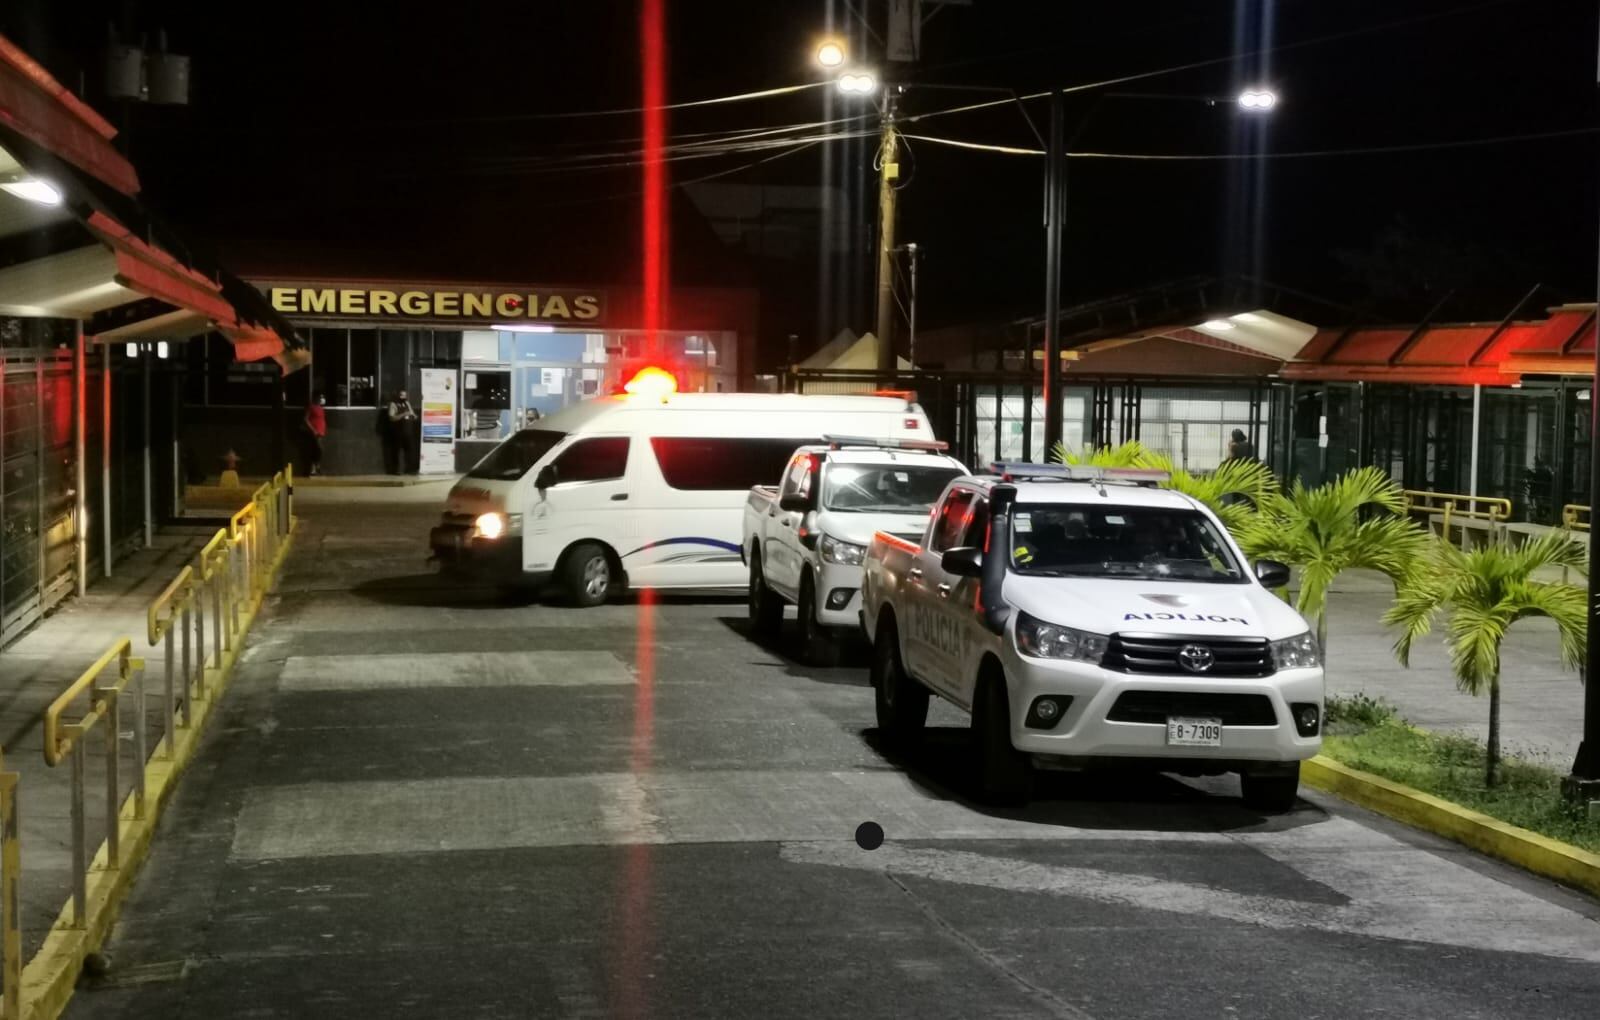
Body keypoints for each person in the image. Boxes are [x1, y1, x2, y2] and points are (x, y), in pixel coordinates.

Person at [388, 389, 420, 474]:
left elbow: (412, 414)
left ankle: (409, 469)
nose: (403, 397)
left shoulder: (407, 403)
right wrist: (403, 414)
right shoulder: (393, 404)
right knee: (397, 452)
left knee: (409, 451)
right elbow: (392, 418)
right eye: (401, 395)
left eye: (405, 395)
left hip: (408, 431)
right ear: (398, 395)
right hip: (398, 432)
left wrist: (415, 417)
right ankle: (397, 470)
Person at [303, 394, 327, 476]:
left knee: (316, 450)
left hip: (320, 432)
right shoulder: (311, 407)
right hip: (314, 433)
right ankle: (316, 467)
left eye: (322, 397)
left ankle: (314, 469)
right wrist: (313, 430)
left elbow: (321, 420)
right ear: (315, 398)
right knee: (319, 449)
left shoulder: (321, 409)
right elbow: (305, 419)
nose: (321, 399)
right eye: (320, 397)